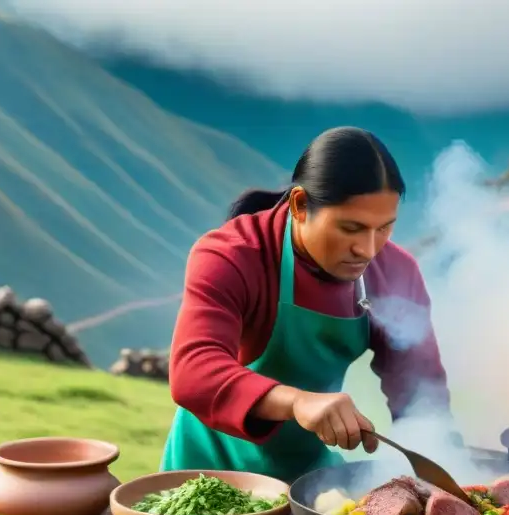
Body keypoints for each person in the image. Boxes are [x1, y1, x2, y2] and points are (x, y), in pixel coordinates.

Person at [162, 127, 452, 486]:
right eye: (351, 228)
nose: (368, 249)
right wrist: (297, 402)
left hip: (311, 478)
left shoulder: (397, 272)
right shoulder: (232, 254)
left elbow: (421, 390)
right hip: (207, 473)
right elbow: (193, 370)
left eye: (385, 228)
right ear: (300, 205)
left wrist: (444, 463)